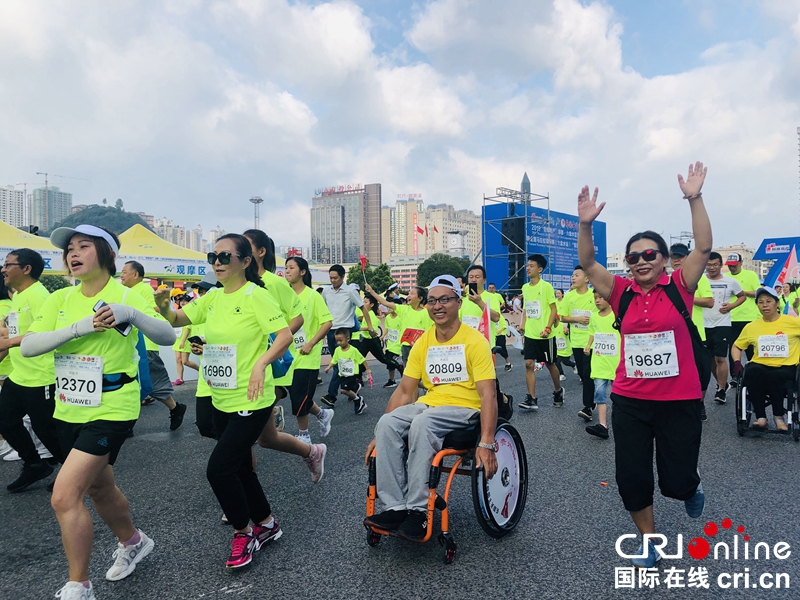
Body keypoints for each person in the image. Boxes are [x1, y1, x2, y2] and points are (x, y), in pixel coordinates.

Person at [21, 225, 176, 599]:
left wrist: (131, 314)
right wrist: (79, 328)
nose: (73, 254)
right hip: (69, 404)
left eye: (83, 247)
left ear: (105, 252)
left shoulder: (126, 294)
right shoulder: (59, 299)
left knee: (64, 495)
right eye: (69, 249)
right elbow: (28, 346)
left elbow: (167, 336)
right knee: (99, 485)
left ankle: (79, 585)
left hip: (114, 405)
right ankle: (134, 540)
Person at [155, 233, 324, 570]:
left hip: (253, 397)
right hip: (221, 396)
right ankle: (266, 523)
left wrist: (261, 363)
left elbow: (285, 335)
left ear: (245, 262)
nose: (217, 262)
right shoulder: (213, 298)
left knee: (219, 469)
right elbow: (176, 320)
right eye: (212, 256)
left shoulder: (255, 296)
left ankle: (243, 532)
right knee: (241, 467)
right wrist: (162, 305)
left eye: (225, 257)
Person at [577, 161, 712, 569]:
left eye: (649, 254)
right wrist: (585, 225)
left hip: (679, 398)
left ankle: (689, 488)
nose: (640, 261)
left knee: (675, 479)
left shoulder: (680, 285)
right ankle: (649, 540)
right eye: (633, 257)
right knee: (632, 475)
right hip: (632, 398)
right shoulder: (621, 292)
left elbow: (704, 247)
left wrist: (695, 197)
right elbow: (587, 262)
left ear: (664, 258)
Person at [363, 275, 498, 540]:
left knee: (423, 424)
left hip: (464, 407)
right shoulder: (424, 342)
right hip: (430, 403)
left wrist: (487, 442)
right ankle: (395, 507)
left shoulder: (475, 341)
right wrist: (377, 435)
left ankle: (419, 511)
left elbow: (488, 394)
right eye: (433, 301)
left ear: (458, 303)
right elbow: (404, 391)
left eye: (445, 299)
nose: (438, 306)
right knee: (387, 423)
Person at [0, 248, 64, 491]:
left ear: (26, 269)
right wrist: (6, 339)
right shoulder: (18, 296)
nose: (3, 269)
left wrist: (6, 341)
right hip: (19, 375)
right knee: (5, 421)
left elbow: (47, 332)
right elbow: (19, 332)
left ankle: (72, 470)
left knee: (47, 430)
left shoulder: (39, 296)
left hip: (42, 376)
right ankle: (34, 464)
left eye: (8, 264)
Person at [243, 229, 304, 432]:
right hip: (245, 357)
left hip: (271, 358)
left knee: (250, 426)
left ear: (261, 252)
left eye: (247, 247)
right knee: (264, 436)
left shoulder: (276, 283)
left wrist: (278, 340)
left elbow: (298, 318)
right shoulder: (238, 282)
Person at [119, 261, 188, 429]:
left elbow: (156, 311)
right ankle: (126, 424)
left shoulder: (143, 290)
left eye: (124, 272)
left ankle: (175, 408)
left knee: (152, 383)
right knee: (134, 383)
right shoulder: (128, 291)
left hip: (145, 346)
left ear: (135, 275)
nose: (121, 275)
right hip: (132, 345)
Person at [731, 286, 800, 432]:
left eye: (768, 301)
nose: (765, 305)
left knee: (775, 376)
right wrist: (737, 362)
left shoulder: (793, 323)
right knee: (753, 372)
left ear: (776, 303)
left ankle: (778, 417)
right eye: (761, 302)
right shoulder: (751, 326)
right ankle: (761, 418)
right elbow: (737, 346)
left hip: (786, 366)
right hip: (760, 364)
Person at [284, 256, 334, 444]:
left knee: (298, 396)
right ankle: (322, 414)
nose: (287, 271)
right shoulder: (284, 295)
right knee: (297, 394)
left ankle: (303, 435)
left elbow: (327, 322)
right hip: (286, 355)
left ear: (303, 272)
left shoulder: (312, 296)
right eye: (286, 268)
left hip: (307, 355)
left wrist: (311, 343)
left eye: (291, 268)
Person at [364, 283, 433, 405]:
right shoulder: (404, 309)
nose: (408, 295)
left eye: (412, 293)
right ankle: (414, 403)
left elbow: (429, 332)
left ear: (420, 298)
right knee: (412, 377)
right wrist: (373, 292)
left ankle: (431, 389)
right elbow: (385, 303)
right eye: (409, 293)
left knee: (421, 376)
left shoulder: (425, 313)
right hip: (406, 348)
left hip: (420, 348)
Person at [320, 265, 372, 406]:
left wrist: (370, 326)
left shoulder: (350, 291)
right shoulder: (326, 291)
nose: (332, 280)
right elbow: (323, 310)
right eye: (330, 278)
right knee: (339, 362)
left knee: (338, 363)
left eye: (335, 278)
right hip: (331, 331)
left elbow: (363, 308)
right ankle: (354, 387)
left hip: (345, 330)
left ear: (343, 277)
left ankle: (332, 395)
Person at [519, 254, 563, 410]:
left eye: (531, 266)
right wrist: (522, 326)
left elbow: (553, 309)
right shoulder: (525, 287)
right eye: (527, 265)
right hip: (531, 334)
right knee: (529, 364)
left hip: (545, 335)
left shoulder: (546, 287)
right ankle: (531, 398)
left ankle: (558, 390)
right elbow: (526, 309)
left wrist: (548, 328)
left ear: (540, 269)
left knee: (550, 364)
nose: (528, 268)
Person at [702, 252, 745, 405]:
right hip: (703, 325)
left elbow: (742, 296)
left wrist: (731, 306)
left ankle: (721, 389)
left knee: (720, 357)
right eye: (708, 265)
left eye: (715, 264)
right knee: (708, 360)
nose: (711, 267)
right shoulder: (700, 280)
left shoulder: (730, 281)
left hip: (722, 323)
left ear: (721, 265)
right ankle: (723, 383)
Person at [560, 266, 597, 421]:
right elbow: (562, 317)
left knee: (588, 374)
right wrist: (577, 319)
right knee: (582, 373)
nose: (573, 278)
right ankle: (593, 397)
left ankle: (587, 406)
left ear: (587, 279)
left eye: (577, 275)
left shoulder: (594, 295)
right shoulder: (569, 296)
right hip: (575, 341)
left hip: (592, 341)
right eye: (572, 275)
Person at [187, 274, 221, 440]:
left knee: (230, 430)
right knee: (205, 425)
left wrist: (208, 345)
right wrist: (199, 347)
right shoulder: (200, 310)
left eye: (205, 290)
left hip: (229, 377)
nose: (201, 294)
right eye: (200, 291)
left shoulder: (228, 310)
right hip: (206, 377)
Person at [584, 291, 619, 439]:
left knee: (619, 396)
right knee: (599, 393)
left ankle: (621, 422)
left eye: (601, 297)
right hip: (599, 361)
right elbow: (593, 332)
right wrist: (588, 345)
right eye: (595, 298)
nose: (597, 301)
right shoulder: (594, 316)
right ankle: (602, 425)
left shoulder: (617, 315)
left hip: (617, 362)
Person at [725, 252, 761, 379]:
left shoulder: (750, 275)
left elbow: (758, 292)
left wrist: (741, 292)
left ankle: (754, 373)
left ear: (741, 263)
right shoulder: (725, 277)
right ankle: (735, 375)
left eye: (734, 265)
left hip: (749, 318)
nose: (732, 268)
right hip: (731, 318)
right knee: (734, 348)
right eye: (729, 265)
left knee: (751, 348)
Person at [324, 328, 371, 414]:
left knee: (343, 390)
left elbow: (362, 360)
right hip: (342, 374)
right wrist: (328, 367)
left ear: (348, 339)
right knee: (349, 389)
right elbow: (334, 360)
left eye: (341, 341)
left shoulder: (353, 350)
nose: (338, 343)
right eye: (337, 341)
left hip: (351, 374)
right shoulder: (338, 350)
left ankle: (358, 399)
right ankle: (356, 387)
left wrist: (368, 369)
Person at [461, 265, 501, 336]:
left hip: (485, 342)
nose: (473, 280)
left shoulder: (492, 297)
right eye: (471, 277)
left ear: (484, 280)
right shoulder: (462, 298)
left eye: (477, 277)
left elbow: (496, 318)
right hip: (466, 342)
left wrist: (479, 302)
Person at [171, 295, 198, 385]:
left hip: (185, 340)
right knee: (178, 360)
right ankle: (180, 379)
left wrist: (183, 341)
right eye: (181, 301)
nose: (182, 302)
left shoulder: (189, 312)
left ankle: (201, 370)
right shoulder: (178, 312)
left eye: (185, 301)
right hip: (178, 338)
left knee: (185, 361)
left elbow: (188, 328)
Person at [382, 301, 404, 388]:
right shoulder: (388, 318)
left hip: (398, 344)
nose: (389, 308)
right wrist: (382, 336)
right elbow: (387, 328)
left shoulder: (401, 318)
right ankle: (392, 380)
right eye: (388, 307)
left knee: (390, 360)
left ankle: (400, 368)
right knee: (388, 362)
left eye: (391, 306)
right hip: (390, 343)